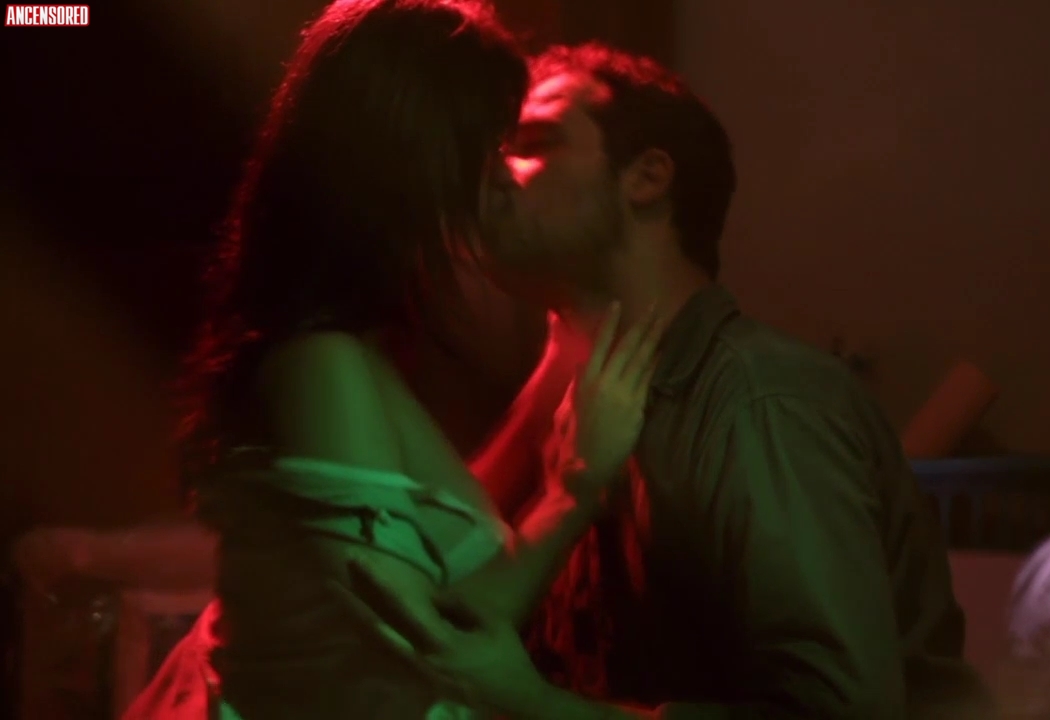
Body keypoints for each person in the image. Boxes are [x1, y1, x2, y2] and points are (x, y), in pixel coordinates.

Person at [335, 43, 994, 719]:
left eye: (533, 143)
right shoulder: (579, 405)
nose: (493, 173)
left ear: (646, 179)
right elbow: (442, 602)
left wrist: (535, 707)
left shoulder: (758, 404)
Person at [122, 2, 663, 718]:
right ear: (416, 158)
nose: (505, 176)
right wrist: (576, 488)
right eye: (489, 145)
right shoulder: (320, 362)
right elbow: (441, 637)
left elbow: (434, 528)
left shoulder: (335, 346)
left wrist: (563, 365)